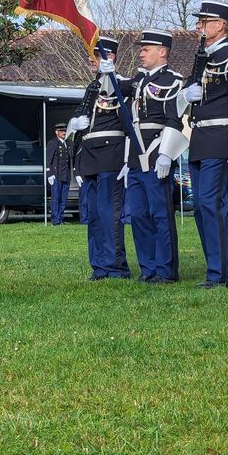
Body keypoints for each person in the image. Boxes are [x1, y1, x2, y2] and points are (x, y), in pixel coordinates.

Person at [181, 1, 228, 288]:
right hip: (200, 139)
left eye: (205, 21)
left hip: (222, 138)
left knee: (211, 204)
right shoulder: (203, 56)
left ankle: (222, 274)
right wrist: (186, 96)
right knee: (201, 207)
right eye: (199, 21)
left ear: (221, 24)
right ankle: (217, 269)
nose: (199, 25)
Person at [119, 29, 186, 284]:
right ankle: (148, 268)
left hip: (157, 152)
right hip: (136, 156)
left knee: (160, 214)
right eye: (141, 48)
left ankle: (165, 269)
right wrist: (107, 71)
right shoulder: (138, 80)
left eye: (147, 48)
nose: (141, 52)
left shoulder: (172, 81)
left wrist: (166, 154)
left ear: (162, 51)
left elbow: (173, 120)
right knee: (138, 214)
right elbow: (115, 90)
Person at [68, 35, 130, 280]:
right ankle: (100, 267)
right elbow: (83, 113)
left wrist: (110, 76)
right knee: (93, 215)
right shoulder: (92, 86)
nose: (89, 59)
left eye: (94, 55)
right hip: (89, 157)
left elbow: (128, 105)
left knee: (109, 213)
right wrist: (74, 123)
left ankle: (116, 267)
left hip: (110, 155)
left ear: (109, 57)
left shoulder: (121, 83)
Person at [45, 122, 72, 225]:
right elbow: (48, 159)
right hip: (56, 175)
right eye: (61, 131)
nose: (64, 133)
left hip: (65, 175)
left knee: (63, 199)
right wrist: (49, 173)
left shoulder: (67, 143)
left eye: (65, 131)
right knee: (56, 199)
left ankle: (60, 218)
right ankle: (55, 220)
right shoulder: (53, 143)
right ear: (56, 132)